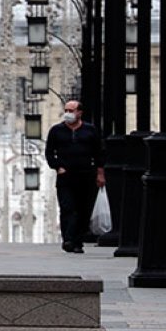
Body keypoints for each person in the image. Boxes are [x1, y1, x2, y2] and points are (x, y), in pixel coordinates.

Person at [45, 100, 106, 254]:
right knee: (67, 208)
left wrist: (100, 173)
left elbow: (98, 153)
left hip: (86, 176)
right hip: (66, 177)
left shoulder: (90, 131)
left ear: (79, 112)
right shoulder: (56, 131)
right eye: (66, 110)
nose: (68, 113)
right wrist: (58, 166)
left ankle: (78, 241)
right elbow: (49, 152)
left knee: (83, 209)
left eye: (71, 110)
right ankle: (68, 239)